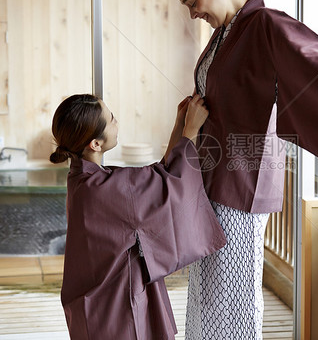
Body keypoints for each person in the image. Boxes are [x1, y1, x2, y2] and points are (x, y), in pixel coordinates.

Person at [172, 0, 318, 339]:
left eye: (193, 2)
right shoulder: (225, 33)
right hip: (212, 177)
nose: (193, 13)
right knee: (209, 292)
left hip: (242, 181)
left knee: (232, 294)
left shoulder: (264, 23)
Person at [50, 93, 227, 340]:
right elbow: (170, 184)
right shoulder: (103, 189)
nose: (116, 122)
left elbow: (157, 175)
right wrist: (191, 131)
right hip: (118, 306)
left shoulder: (83, 179)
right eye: (110, 119)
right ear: (95, 144)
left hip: (94, 306)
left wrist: (180, 125)